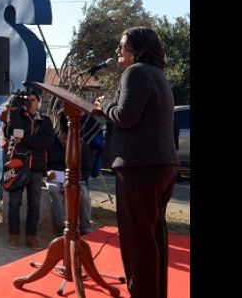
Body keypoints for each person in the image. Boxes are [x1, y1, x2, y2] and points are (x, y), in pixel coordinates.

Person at [94, 26, 179, 298]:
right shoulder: (158, 75)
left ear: (138, 49)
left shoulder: (136, 72)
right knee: (154, 237)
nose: (118, 51)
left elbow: (125, 116)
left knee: (138, 242)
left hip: (139, 167)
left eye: (122, 46)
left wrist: (105, 104)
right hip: (162, 165)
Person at [0, 90, 55, 250]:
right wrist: (14, 110)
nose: (30, 103)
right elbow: (11, 132)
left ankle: (31, 237)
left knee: (34, 204)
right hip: (17, 165)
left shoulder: (45, 121)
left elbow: (47, 142)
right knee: (14, 203)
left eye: (33, 100)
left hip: (36, 168)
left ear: (38, 102)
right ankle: (14, 236)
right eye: (27, 100)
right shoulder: (18, 116)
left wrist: (25, 139)